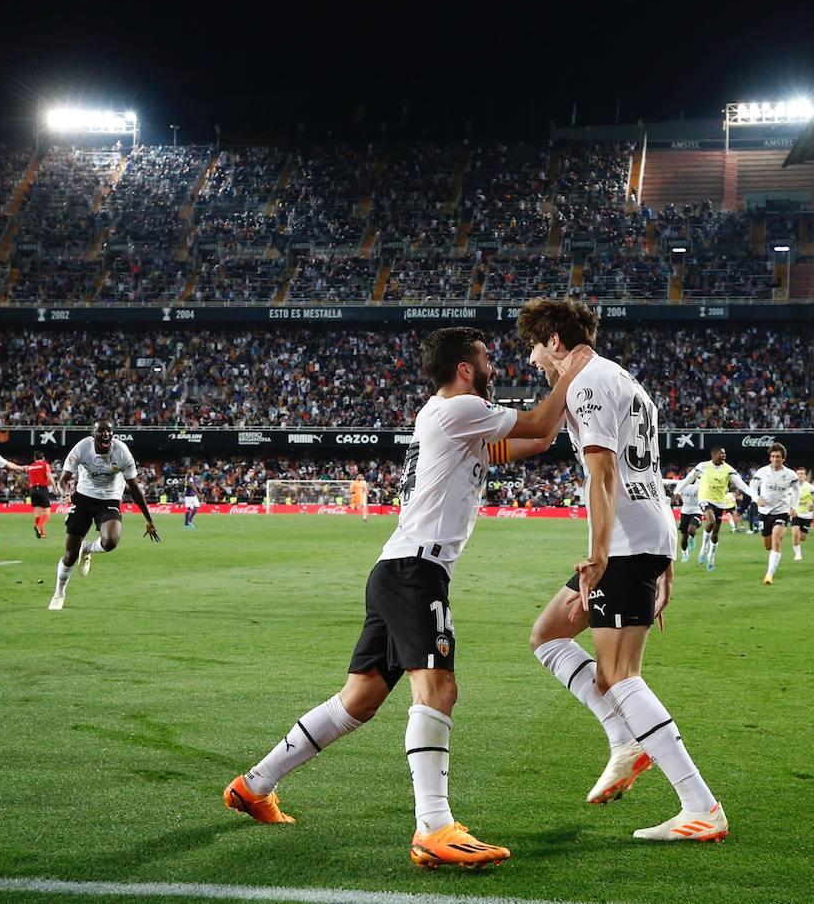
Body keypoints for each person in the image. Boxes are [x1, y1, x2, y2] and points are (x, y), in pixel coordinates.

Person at [223, 326, 593, 870]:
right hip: (416, 569)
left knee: (360, 701)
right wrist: (574, 371)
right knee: (438, 689)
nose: (493, 365)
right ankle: (434, 827)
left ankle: (253, 786)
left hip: (400, 567)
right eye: (485, 358)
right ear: (466, 368)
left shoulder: (457, 418)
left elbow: (536, 439)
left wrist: (566, 399)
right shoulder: (458, 408)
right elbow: (538, 421)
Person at [516, 297, 727, 842]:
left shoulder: (586, 385)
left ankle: (700, 806)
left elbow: (604, 473)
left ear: (555, 341)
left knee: (619, 675)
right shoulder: (625, 380)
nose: (535, 360)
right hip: (646, 537)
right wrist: (667, 560)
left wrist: (600, 552)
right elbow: (647, 471)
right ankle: (623, 738)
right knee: (548, 636)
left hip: (626, 545)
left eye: (535, 347)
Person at [48, 419, 160, 610]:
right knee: (69, 555)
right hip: (83, 497)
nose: (106, 434)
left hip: (109, 498)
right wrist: (65, 493)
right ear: (94, 434)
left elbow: (134, 488)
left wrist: (148, 519)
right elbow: (63, 479)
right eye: (101, 431)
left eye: (109, 431)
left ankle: (88, 548)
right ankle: (59, 593)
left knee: (110, 541)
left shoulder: (122, 452)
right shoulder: (82, 448)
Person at [676, 446, 754, 572]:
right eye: (721, 454)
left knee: (715, 533)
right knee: (710, 522)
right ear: (714, 455)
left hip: (720, 502)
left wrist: (753, 495)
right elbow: (688, 479)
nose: (724, 456)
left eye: (725, 454)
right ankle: (702, 548)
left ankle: (711, 558)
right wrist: (677, 490)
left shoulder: (728, 469)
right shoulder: (703, 466)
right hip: (704, 500)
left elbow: (740, 483)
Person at [751, 442, 799, 585]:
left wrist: (794, 507)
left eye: (778, 456)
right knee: (767, 545)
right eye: (772, 456)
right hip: (765, 512)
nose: (775, 459)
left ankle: (769, 574)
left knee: (776, 540)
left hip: (781, 512)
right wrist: (756, 499)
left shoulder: (790, 474)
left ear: (783, 458)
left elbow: (797, 491)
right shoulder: (762, 472)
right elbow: (752, 487)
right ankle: (772, 561)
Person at [25, 450, 56, 540]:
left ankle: (41, 533)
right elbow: (49, 477)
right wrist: (55, 487)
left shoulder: (30, 467)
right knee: (47, 512)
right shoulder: (45, 465)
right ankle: (38, 527)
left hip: (33, 490)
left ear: (34, 458)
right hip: (42, 489)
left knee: (37, 513)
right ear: (43, 458)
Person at [790, 467, 814, 561]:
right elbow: (787, 499)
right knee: (795, 534)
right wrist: (789, 509)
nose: (800, 476)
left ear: (805, 476)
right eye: (798, 474)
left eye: (802, 474)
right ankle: (798, 554)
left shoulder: (811, 488)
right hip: (796, 514)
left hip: (807, 515)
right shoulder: (792, 487)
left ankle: (799, 545)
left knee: (802, 537)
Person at [674, 478, 702, 563]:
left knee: (691, 529)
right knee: (684, 537)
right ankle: (685, 554)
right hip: (685, 511)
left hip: (697, 510)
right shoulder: (682, 483)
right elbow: (677, 493)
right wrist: (677, 497)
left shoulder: (700, 483)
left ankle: (692, 537)